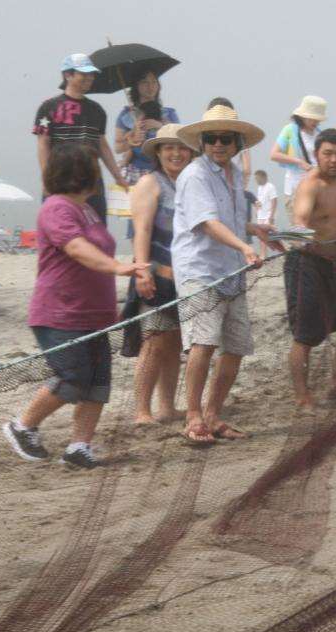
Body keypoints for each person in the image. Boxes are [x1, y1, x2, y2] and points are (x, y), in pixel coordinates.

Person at [2, 144, 148, 468]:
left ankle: (79, 446)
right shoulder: (56, 208)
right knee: (73, 377)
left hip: (95, 315)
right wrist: (118, 267)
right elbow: (77, 248)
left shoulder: (89, 210)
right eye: (92, 169)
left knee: (97, 382)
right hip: (60, 313)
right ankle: (22, 426)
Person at [172, 104, 274, 444]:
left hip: (232, 270)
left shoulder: (233, 176)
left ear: (237, 144)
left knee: (237, 345)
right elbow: (207, 223)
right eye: (212, 138)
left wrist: (252, 229)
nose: (218, 144)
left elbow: (227, 220)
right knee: (203, 343)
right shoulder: (195, 174)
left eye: (226, 139)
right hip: (201, 271)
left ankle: (214, 414)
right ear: (202, 141)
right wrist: (244, 248)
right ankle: (193, 417)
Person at [285, 129, 336, 409]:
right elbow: (299, 222)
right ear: (317, 155)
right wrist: (291, 237)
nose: (334, 160)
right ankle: (301, 397)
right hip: (305, 263)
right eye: (327, 154)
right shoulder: (311, 185)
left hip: (334, 262)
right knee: (306, 336)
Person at [126, 125, 195, 425]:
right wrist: (141, 270)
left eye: (182, 148)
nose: (176, 153)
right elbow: (140, 230)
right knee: (153, 341)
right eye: (169, 148)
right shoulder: (150, 183)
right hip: (154, 274)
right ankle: (142, 410)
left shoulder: (193, 184)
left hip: (184, 278)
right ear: (158, 152)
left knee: (175, 343)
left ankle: (167, 406)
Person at [33, 54, 128, 218]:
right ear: (68, 75)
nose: (89, 78)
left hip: (92, 182)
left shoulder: (97, 110)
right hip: (61, 180)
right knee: (60, 230)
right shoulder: (49, 107)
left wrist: (118, 176)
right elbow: (43, 144)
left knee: (96, 231)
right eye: (83, 74)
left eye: (91, 74)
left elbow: (102, 144)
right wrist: (45, 179)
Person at [114, 70, 181, 185]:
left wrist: (161, 126)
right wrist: (133, 138)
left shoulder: (169, 114)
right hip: (135, 171)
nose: (150, 86)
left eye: (154, 82)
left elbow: (180, 139)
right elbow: (118, 148)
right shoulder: (126, 115)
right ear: (136, 86)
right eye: (144, 82)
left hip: (163, 171)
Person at [270, 95, 327, 215]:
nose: (316, 122)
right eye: (313, 118)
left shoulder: (319, 134)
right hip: (295, 186)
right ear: (303, 116)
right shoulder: (290, 130)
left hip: (316, 186)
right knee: (299, 228)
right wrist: (299, 162)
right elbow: (274, 154)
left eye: (318, 119)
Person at [253, 169, 278, 250]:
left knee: (270, 233)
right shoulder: (259, 187)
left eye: (257, 178)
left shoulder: (270, 186)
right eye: (255, 179)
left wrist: (272, 215)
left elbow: (274, 201)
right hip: (261, 215)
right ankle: (263, 255)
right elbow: (259, 201)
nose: (256, 180)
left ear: (263, 177)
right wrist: (257, 210)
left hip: (268, 215)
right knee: (260, 235)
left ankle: (283, 247)